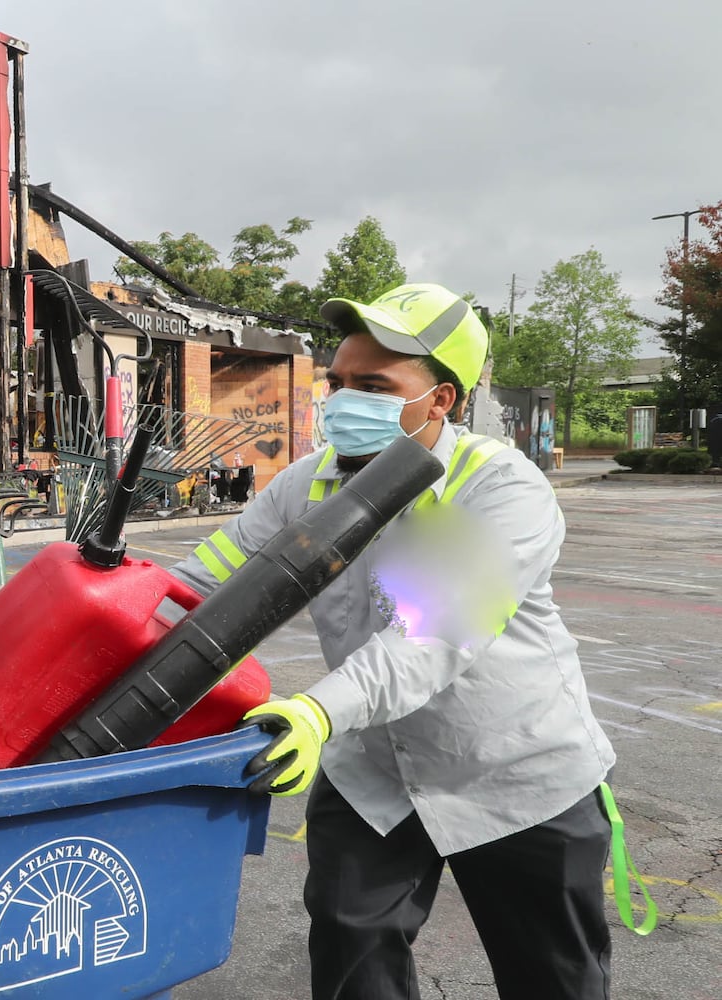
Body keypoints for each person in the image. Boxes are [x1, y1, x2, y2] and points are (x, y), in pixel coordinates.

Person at [172, 283, 617, 999]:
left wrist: (316, 712)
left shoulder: (502, 490)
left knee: (554, 977)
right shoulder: (305, 484)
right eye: (339, 382)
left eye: (373, 386)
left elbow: (432, 629)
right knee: (353, 960)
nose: (343, 400)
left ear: (441, 399)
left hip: (514, 771)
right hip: (373, 771)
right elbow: (201, 587)